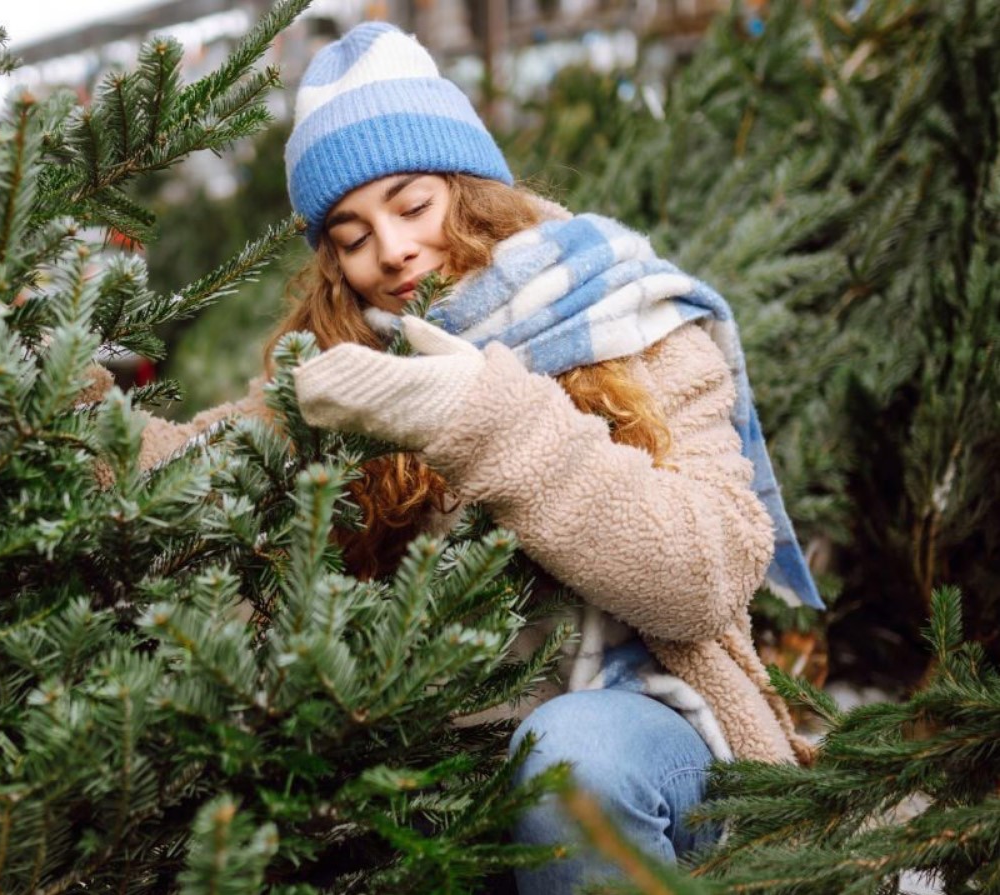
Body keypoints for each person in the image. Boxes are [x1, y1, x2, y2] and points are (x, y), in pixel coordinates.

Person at [132, 21, 826, 894]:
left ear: (469, 188)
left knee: (571, 759)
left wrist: (479, 417)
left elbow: (708, 574)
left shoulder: (630, 314)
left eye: (411, 206)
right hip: (443, 760)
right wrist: (50, 405)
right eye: (351, 234)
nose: (391, 250)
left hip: (647, 734)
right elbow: (194, 466)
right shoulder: (354, 372)